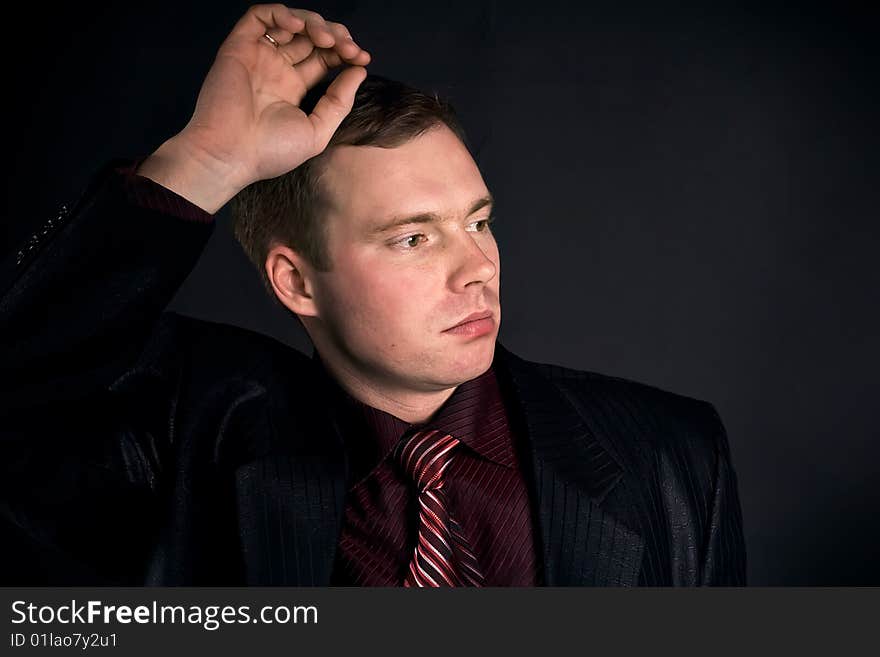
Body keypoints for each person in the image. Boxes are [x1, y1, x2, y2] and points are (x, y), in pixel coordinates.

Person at [1, 4, 746, 586]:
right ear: (296, 281)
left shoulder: (673, 455)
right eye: (413, 238)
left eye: (478, 221)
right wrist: (204, 160)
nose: (477, 267)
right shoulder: (187, 433)